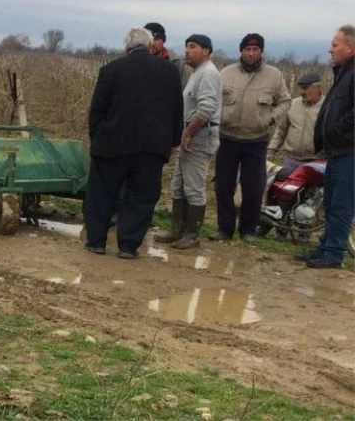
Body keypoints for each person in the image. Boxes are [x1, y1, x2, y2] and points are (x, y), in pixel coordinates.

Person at [83, 27, 183, 259]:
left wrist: (96, 137)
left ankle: (96, 242)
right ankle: (128, 246)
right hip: (152, 148)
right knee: (141, 196)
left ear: (126, 47)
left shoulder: (111, 70)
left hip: (112, 145)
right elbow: (177, 110)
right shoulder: (169, 71)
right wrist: (173, 141)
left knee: (102, 194)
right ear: (150, 46)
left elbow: (97, 109)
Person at [211, 33, 291, 241]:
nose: (251, 53)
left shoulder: (274, 76)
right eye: (247, 49)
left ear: (261, 52)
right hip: (227, 137)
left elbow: (285, 101)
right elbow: (214, 100)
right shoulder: (226, 73)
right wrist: (219, 117)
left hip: (256, 140)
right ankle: (224, 229)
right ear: (241, 51)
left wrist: (270, 119)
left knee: (254, 188)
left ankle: (248, 230)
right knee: (224, 185)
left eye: (255, 49)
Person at [155, 34, 221, 249]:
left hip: (200, 135)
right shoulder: (196, 73)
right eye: (186, 47)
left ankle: (192, 234)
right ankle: (177, 229)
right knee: (179, 184)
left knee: (193, 185)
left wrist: (188, 132)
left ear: (206, 51)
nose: (187, 51)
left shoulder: (209, 74)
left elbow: (206, 108)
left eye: (192, 47)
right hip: (191, 132)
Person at [297, 25, 354, 269]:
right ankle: (324, 246)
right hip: (336, 151)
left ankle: (333, 254)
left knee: (341, 204)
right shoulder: (343, 72)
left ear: (350, 47)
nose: (330, 50)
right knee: (330, 202)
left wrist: (335, 130)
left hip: (349, 151)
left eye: (335, 44)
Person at [266, 72, 324, 172]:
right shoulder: (293, 104)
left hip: (316, 161)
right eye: (301, 88)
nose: (302, 92)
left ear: (318, 88)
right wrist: (271, 150)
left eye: (305, 88)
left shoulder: (328, 106)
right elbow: (281, 131)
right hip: (291, 160)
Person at [144, 22, 193, 89]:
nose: (152, 43)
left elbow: (186, 90)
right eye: (149, 39)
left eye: (156, 39)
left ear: (164, 40)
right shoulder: (134, 62)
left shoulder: (177, 63)